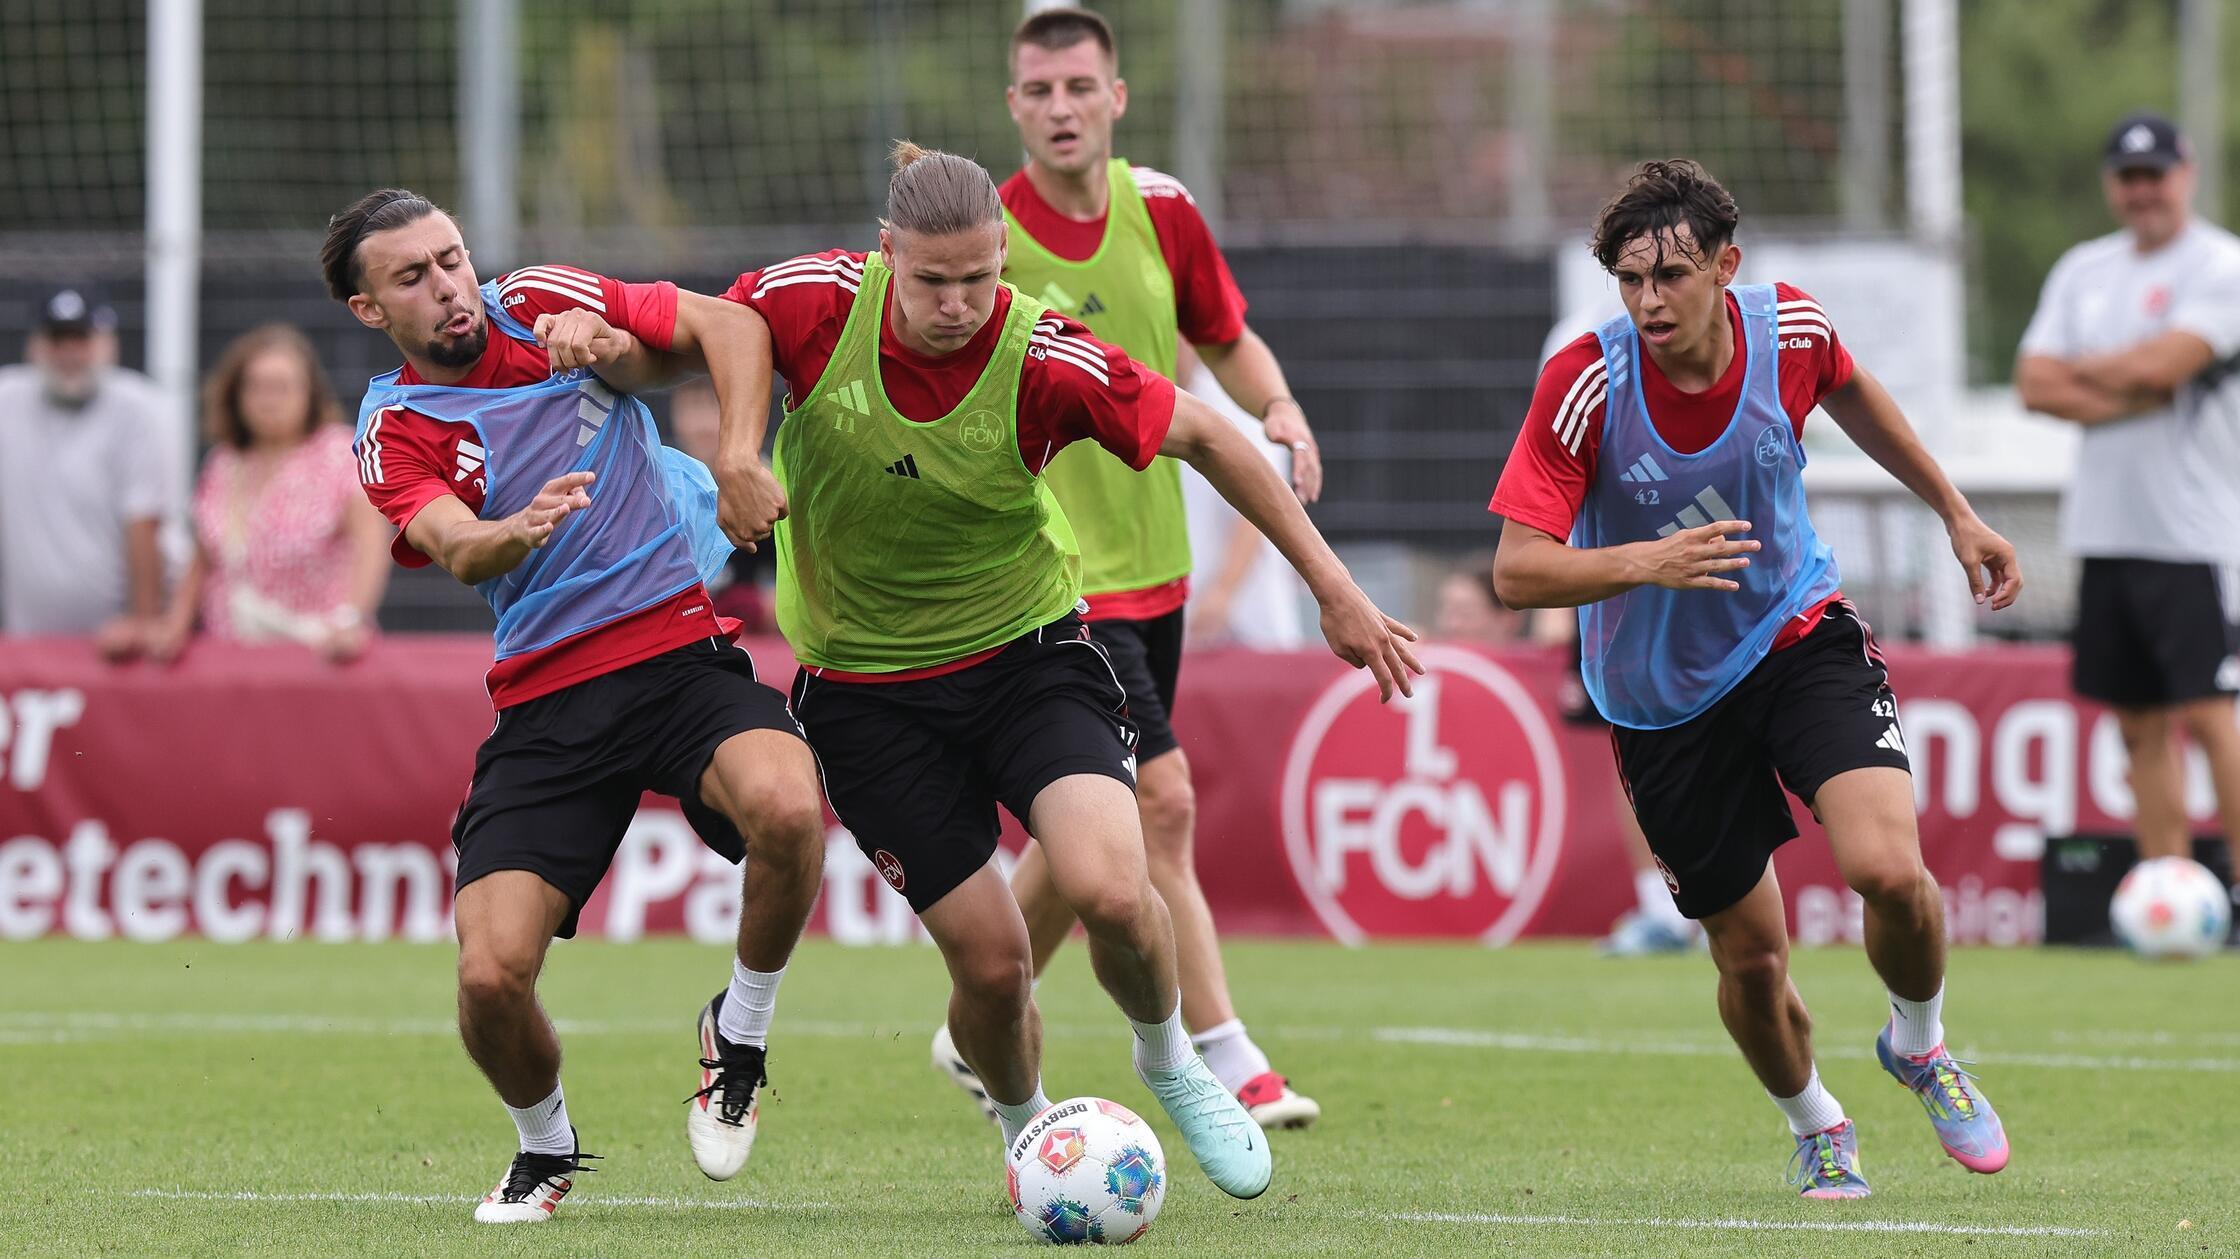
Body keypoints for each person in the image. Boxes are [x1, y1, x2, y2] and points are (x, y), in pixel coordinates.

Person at [716, 142, 1418, 1202]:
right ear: (885, 255)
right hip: (865, 694)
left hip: (1026, 657)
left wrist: (1333, 587)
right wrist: (708, 427)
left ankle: (1171, 1057)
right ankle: (1025, 1124)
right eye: (929, 280)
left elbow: (1209, 436)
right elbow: (699, 325)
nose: (956, 302)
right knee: (992, 969)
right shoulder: (815, 302)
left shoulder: (1043, 349)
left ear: (1003, 253)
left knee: (1112, 887)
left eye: (977, 277)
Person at [1491, 160, 2020, 1199]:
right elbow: (1516, 568)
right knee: (1751, 962)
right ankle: (1814, 1120)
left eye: (1672, 275)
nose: (1649, 299)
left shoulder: (1788, 332)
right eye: (1629, 280)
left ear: (1723, 267)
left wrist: (1953, 512)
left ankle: (1918, 1042)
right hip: (1657, 696)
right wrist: (1646, 560)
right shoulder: (1583, 381)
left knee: (1889, 872)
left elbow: (1854, 393)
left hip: (1792, 631)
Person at [320, 189, 828, 1223]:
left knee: (788, 805)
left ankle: (738, 1032)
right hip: (546, 697)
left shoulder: (540, 298)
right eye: (411, 277)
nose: (448, 286)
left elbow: (730, 327)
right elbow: (458, 548)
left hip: (677, 653)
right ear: (369, 310)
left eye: (451, 258)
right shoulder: (392, 425)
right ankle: (544, 1145)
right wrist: (518, 527)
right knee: (489, 976)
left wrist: (729, 449)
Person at [929, 5, 1325, 1132]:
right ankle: (1223, 1051)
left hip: (1157, 565)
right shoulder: (979, 239)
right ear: (1012, 107)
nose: (1060, 107)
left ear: (1116, 97)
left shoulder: (1161, 210)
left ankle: (976, 1016)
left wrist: (1278, 404)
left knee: (1090, 831)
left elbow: (1223, 331)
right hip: (1047, 576)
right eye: (1038, 91)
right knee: (1161, 802)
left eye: (1078, 87)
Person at [2013, 110, 2240, 871]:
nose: (2144, 191)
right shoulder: (2084, 267)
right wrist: (2135, 382)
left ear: (2187, 173)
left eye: (2156, 175)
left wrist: (2109, 370)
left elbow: (2163, 366)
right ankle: (2169, 889)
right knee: (2138, 724)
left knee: (2213, 718)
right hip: (2106, 529)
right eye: (2129, 177)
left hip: (2195, 533)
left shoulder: (2221, 265)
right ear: (2114, 184)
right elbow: (2034, 382)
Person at [148, 324, 390, 662]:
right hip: (232, 656)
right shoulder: (225, 463)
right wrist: (175, 623)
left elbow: (371, 543)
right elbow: (204, 557)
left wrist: (350, 620)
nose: (268, 401)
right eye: (257, 388)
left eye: (281, 388)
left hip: (318, 655)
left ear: (309, 393)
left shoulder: (338, 454)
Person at [0, 288, 179, 653]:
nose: (69, 353)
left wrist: (142, 625)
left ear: (105, 343)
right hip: (27, 643)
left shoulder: (138, 409)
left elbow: (144, 524)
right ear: (35, 345)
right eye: (57, 339)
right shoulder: (8, 400)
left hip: (112, 646)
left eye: (80, 339)